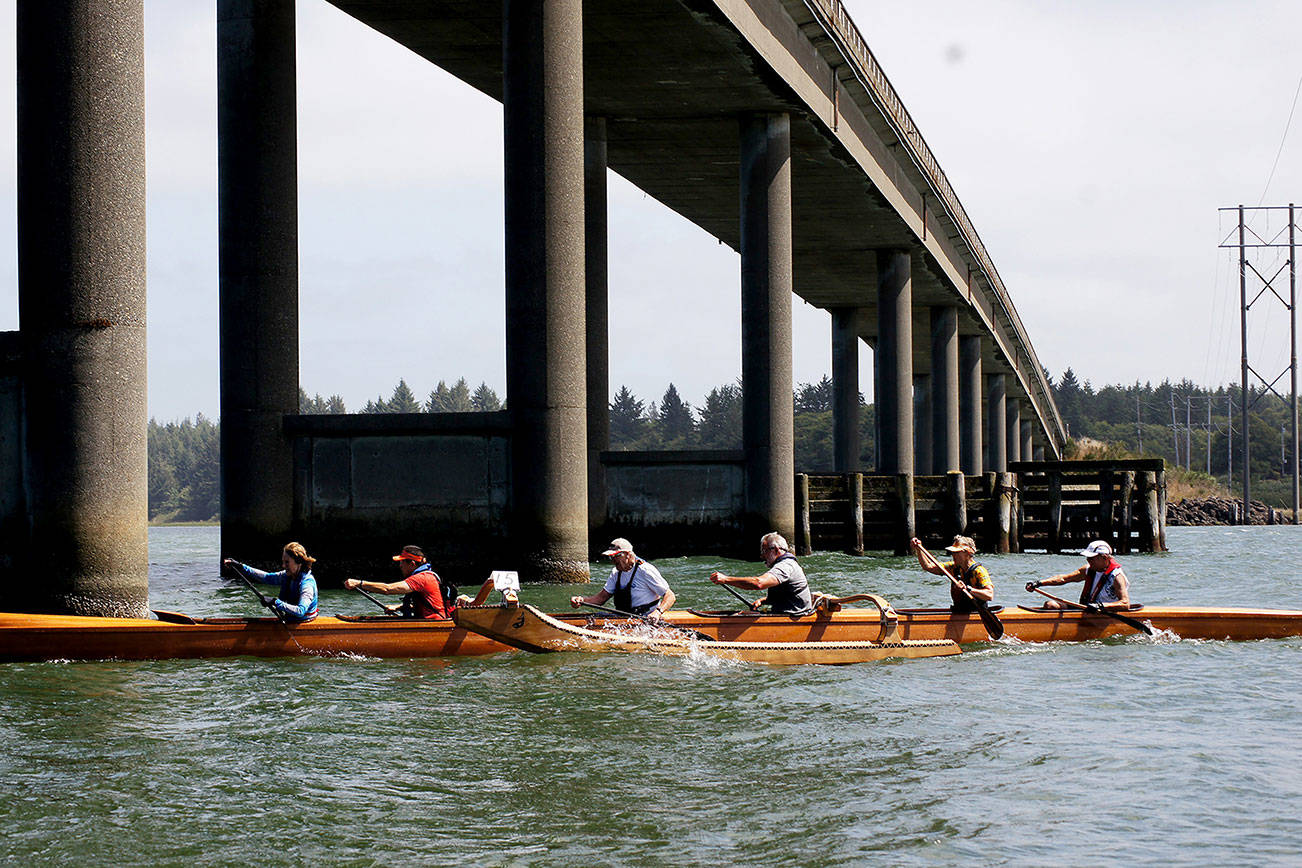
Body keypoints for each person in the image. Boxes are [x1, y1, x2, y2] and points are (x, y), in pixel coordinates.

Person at [570, 538, 675, 621]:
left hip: (645, 619)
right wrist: (582, 601)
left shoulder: (645, 570)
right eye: (611, 557)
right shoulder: (616, 573)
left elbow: (670, 596)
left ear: (628, 555)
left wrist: (658, 612)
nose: (613, 560)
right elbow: (601, 598)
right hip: (623, 618)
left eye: (616, 556)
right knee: (593, 617)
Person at [709, 532, 814, 615]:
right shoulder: (787, 564)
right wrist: (764, 601)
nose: (762, 556)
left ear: (776, 550)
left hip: (794, 618)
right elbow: (789, 594)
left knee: (740, 616)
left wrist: (726, 579)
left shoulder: (785, 566)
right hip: (786, 614)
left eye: (764, 551)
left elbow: (758, 583)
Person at [343, 545, 452, 619]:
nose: (400, 565)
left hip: (432, 624)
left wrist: (359, 583)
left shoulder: (422, 578)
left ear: (412, 564)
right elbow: (427, 604)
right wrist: (399, 607)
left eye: (402, 562)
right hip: (423, 620)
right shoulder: (427, 576)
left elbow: (387, 589)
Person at [223, 542, 319, 623]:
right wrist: (241, 566)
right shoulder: (286, 575)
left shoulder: (307, 584)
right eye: (283, 562)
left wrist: (274, 602)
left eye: (287, 562)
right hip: (290, 619)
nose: (283, 565)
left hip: (304, 622)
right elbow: (266, 577)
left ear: (298, 561)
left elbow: (300, 611)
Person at [1026, 539, 1131, 611]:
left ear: (1104, 558)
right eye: (1088, 557)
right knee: (1050, 605)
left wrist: (1100, 606)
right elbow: (1063, 579)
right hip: (1087, 608)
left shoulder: (1117, 577)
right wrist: (1039, 583)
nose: (1088, 560)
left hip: (1104, 613)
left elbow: (1125, 603)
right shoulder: (1088, 569)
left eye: (1091, 558)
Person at [910, 535, 993, 612]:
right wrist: (919, 549)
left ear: (967, 553)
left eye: (957, 552)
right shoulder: (953, 567)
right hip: (959, 611)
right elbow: (928, 566)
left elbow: (989, 595)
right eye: (953, 552)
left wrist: (968, 589)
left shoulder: (979, 571)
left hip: (977, 612)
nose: (953, 555)